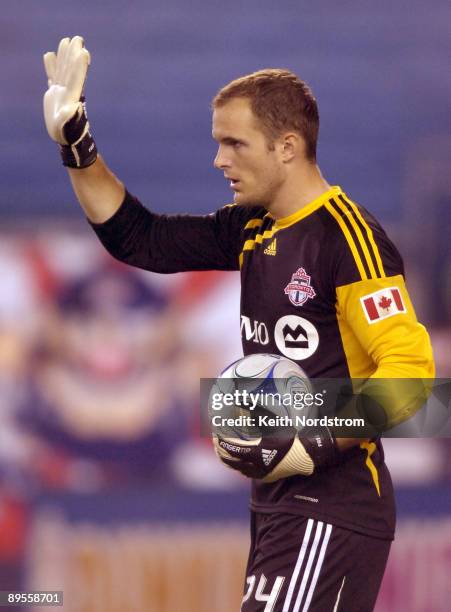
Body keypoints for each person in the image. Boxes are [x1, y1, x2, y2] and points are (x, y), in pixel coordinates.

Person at [43, 36, 434, 611]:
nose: (219, 159)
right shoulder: (254, 228)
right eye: (217, 142)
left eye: (234, 143)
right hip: (278, 504)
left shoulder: (350, 241)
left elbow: (413, 381)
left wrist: (315, 436)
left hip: (334, 506)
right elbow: (140, 238)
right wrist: (78, 145)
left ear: (287, 146)